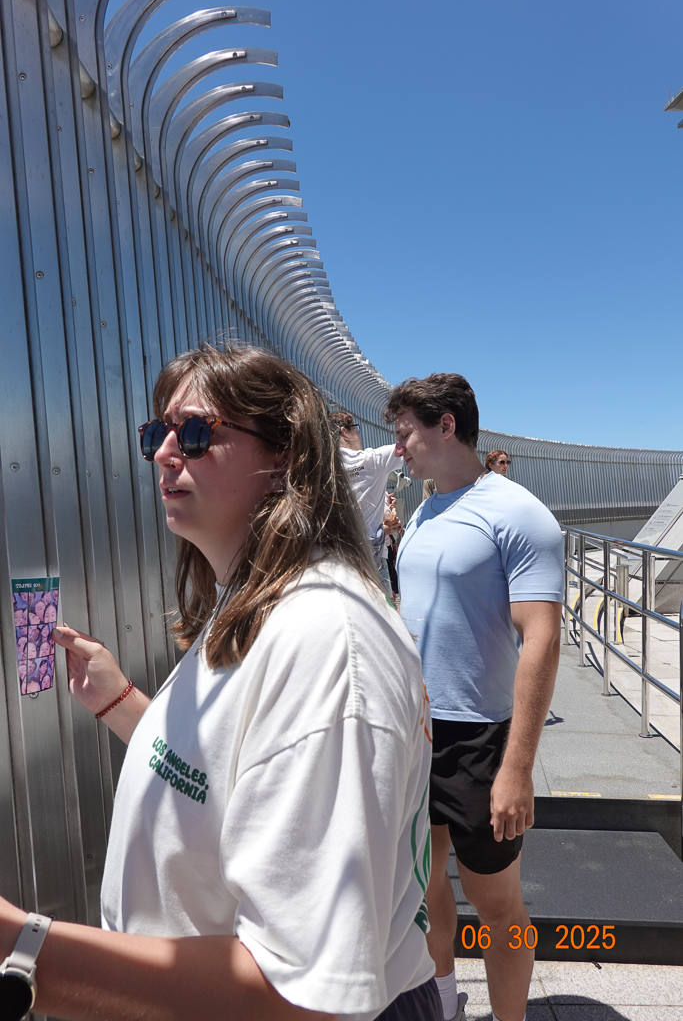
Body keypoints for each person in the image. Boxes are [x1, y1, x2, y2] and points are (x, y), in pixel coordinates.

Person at [0, 344, 440, 1021]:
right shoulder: (260, 599)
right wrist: (121, 704)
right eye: (158, 431)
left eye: (196, 434)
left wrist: (24, 951)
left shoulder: (326, 641)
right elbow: (223, 775)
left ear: (284, 457)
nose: (163, 453)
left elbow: (298, 994)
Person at [386, 373, 563, 1021]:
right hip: (416, 729)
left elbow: (542, 639)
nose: (397, 448)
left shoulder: (517, 514)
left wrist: (517, 768)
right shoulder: (425, 511)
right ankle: (443, 1003)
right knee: (425, 881)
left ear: (446, 425)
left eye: (405, 432)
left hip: (478, 738)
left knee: (497, 906)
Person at [330, 412, 404, 575]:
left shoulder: (326, 469)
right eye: (355, 429)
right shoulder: (372, 460)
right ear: (344, 432)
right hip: (372, 551)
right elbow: (407, 446)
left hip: (339, 550)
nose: (358, 434)